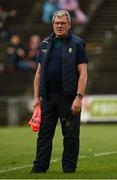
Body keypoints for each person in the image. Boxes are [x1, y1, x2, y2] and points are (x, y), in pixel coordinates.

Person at [31, 10, 88, 173]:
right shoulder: (45, 44)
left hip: (69, 99)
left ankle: (69, 169)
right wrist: (36, 97)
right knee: (44, 136)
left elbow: (83, 72)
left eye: (63, 23)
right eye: (57, 23)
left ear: (69, 24)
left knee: (70, 136)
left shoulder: (77, 44)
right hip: (48, 98)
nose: (59, 26)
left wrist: (79, 97)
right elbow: (39, 72)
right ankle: (39, 167)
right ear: (53, 24)